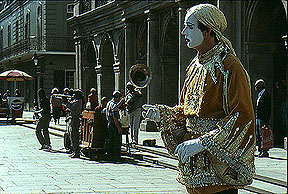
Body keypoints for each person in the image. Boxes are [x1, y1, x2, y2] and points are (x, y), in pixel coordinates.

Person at [142, 4, 255, 194]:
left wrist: (202, 142)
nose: (183, 31)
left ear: (208, 30)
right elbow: (186, 110)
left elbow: (242, 115)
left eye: (190, 26)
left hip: (217, 173)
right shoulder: (194, 66)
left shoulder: (229, 66)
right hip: (194, 171)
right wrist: (162, 114)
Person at [64, 89, 83, 158]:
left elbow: (71, 107)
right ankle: (74, 150)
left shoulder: (78, 101)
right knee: (71, 135)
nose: (73, 95)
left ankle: (77, 152)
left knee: (75, 136)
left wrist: (66, 102)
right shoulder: (76, 101)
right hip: (72, 119)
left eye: (75, 94)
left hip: (75, 119)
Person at [255, 79, 271, 157]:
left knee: (263, 135)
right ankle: (260, 150)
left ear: (260, 86)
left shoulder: (266, 95)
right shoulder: (260, 95)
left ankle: (265, 151)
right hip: (258, 117)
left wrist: (266, 120)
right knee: (258, 135)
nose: (256, 88)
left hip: (263, 118)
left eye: (257, 86)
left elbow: (268, 109)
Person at [105, 91, 123, 162]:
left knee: (111, 140)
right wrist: (119, 128)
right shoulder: (114, 105)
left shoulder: (109, 103)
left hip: (109, 123)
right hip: (114, 124)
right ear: (116, 98)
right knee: (117, 141)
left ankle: (110, 156)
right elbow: (115, 118)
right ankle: (116, 157)